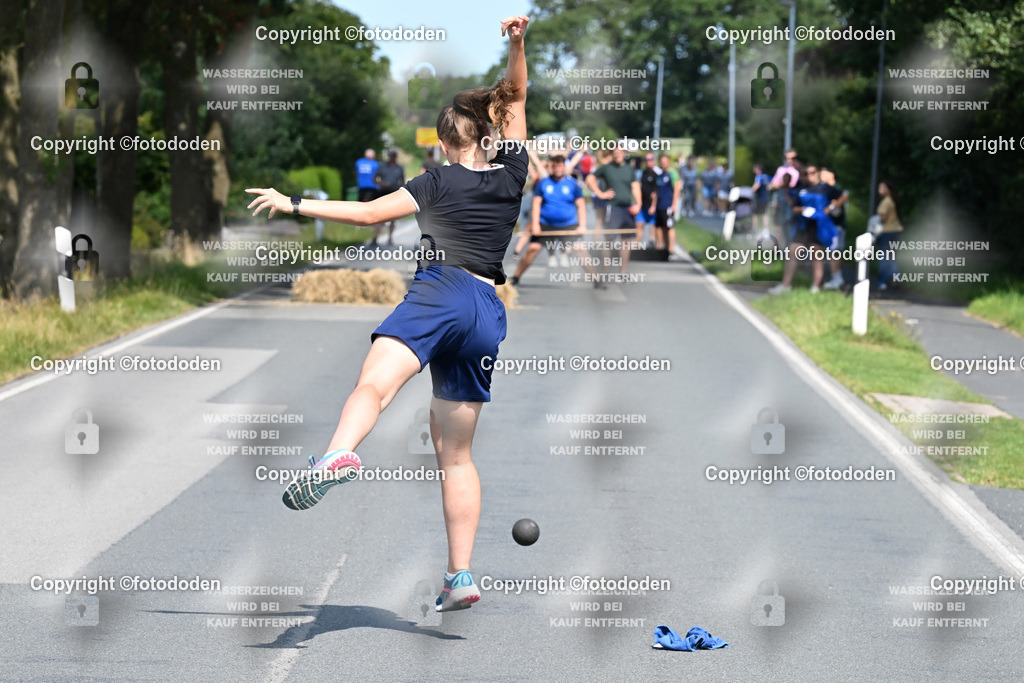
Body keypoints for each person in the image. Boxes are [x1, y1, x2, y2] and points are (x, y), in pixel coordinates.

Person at [246, 14, 531, 614]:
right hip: (485, 309)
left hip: (438, 292)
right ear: (490, 138)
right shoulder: (511, 175)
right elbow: (516, 98)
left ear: (442, 143)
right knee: (457, 455)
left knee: (372, 387)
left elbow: (369, 214)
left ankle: (337, 454)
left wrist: (293, 202)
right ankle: (460, 575)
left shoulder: (434, 181)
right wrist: (517, 44)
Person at [510, 154, 588, 285]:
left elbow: (581, 205)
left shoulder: (572, 184)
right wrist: (535, 225)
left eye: (560, 166)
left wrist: (582, 225)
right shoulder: (543, 183)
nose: (558, 169)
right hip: (545, 223)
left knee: (581, 249)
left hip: (568, 225)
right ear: (552, 167)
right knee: (532, 249)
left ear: (564, 167)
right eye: (555, 166)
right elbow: (536, 204)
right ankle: (516, 277)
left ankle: (597, 279)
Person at [586, 143, 641, 287]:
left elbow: (635, 186)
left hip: (627, 208)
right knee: (609, 241)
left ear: (624, 154)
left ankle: (623, 272)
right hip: (613, 207)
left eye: (620, 153)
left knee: (626, 241)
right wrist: (600, 194)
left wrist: (639, 203)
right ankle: (605, 273)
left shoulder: (629, 169)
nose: (618, 155)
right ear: (612, 154)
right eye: (615, 153)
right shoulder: (607, 168)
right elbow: (589, 179)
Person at [819, 167, 850, 289]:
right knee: (833, 253)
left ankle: (836, 278)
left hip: (836, 225)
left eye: (824, 173)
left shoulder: (836, 189)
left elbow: (841, 201)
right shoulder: (830, 189)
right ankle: (837, 277)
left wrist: (830, 208)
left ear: (831, 174)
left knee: (834, 253)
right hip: (833, 225)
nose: (821, 176)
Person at [371, 149, 406, 247]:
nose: (393, 157)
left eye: (394, 156)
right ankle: (375, 238)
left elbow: (402, 181)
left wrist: (401, 192)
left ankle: (390, 238)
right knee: (380, 216)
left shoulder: (399, 168)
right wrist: (382, 183)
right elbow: (374, 179)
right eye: (391, 155)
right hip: (383, 192)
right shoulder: (382, 166)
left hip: (394, 193)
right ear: (389, 156)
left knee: (393, 217)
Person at [875, 179, 902, 291]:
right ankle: (896, 275)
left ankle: (882, 281)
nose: (879, 190)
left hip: (887, 231)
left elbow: (883, 218)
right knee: (891, 256)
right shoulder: (892, 201)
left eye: (881, 187)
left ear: (887, 189)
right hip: (896, 230)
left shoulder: (886, 202)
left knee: (885, 256)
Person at [653, 154, 680, 254]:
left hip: (668, 204)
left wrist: (674, 205)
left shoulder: (672, 174)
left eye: (665, 161)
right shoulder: (660, 175)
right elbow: (657, 191)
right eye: (662, 162)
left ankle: (671, 249)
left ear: (668, 162)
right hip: (659, 205)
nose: (663, 163)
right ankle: (664, 247)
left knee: (669, 227)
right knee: (661, 227)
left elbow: (677, 189)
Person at [355, 148, 381, 246]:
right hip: (372, 187)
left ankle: (359, 225)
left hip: (362, 187)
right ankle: (371, 223)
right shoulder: (375, 164)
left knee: (360, 205)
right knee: (373, 206)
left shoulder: (358, 162)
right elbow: (377, 176)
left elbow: (356, 173)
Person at [637, 153, 659, 245]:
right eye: (646, 160)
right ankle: (636, 244)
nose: (648, 162)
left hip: (652, 205)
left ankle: (652, 241)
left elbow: (657, 192)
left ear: (653, 160)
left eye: (650, 160)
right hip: (643, 203)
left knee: (652, 225)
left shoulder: (657, 173)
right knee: (639, 224)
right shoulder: (642, 173)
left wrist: (653, 206)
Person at [751, 163, 771, 232]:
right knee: (764, 213)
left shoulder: (759, 176)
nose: (754, 171)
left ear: (759, 170)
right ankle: (766, 229)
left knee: (754, 214)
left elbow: (757, 185)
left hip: (760, 198)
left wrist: (750, 191)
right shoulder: (766, 176)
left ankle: (755, 229)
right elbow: (771, 184)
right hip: (766, 198)